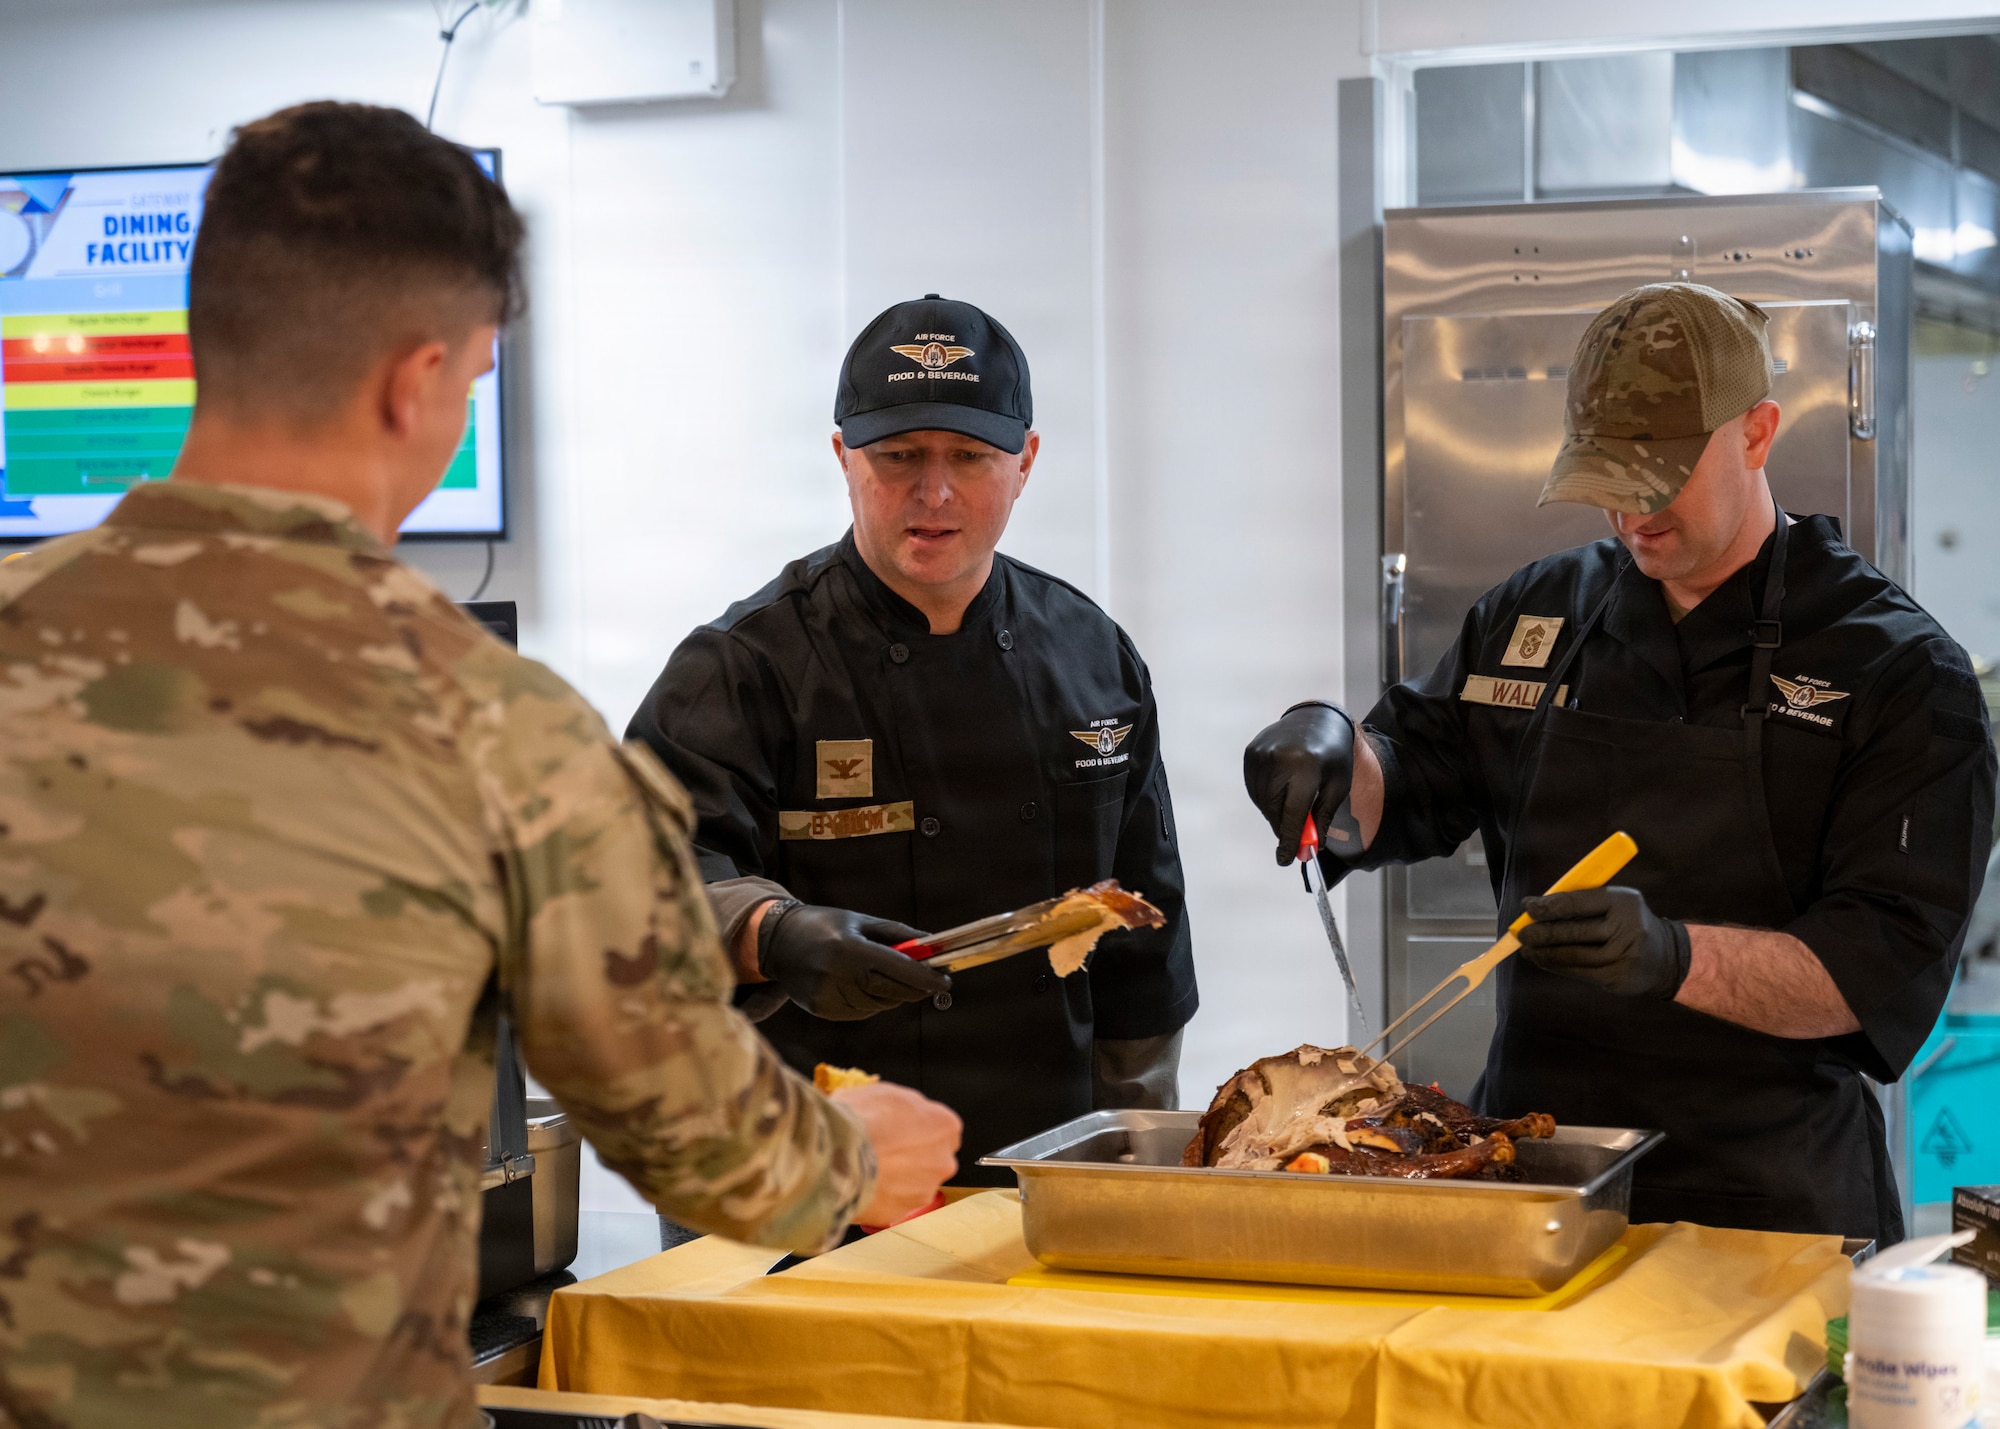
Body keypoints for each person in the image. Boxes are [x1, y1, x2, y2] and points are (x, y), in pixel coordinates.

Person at [0, 102, 959, 1425]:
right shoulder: (490, 730)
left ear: (202, 339)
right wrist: (858, 1155)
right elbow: (698, 1131)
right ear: (419, 380)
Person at [1243, 282, 1994, 1244]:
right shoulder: (1537, 614)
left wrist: (1673, 956)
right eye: (1605, 474)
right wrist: (1333, 751)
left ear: (1759, 432)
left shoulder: (1893, 667)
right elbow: (1412, 785)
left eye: (1662, 471)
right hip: (1535, 1179)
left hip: (1766, 1209)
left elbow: (1875, 969)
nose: (1629, 509)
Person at [628, 295, 1198, 1179]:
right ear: (843, 459)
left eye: (969, 457)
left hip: (1038, 1172)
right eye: (898, 457)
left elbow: (1145, 945)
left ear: (1026, 462)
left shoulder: (1093, 657)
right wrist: (769, 931)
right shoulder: (743, 666)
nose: (934, 493)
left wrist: (1134, 1159)